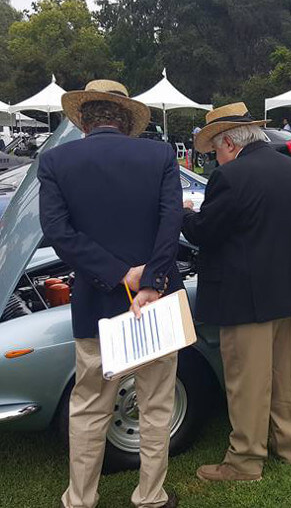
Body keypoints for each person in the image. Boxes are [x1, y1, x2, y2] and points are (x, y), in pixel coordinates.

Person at [39, 79, 182, 508]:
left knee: (89, 407)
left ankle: (81, 498)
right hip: (155, 303)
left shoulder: (56, 161)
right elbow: (170, 221)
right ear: (126, 121)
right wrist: (149, 282)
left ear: (83, 120)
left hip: (96, 303)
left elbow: (58, 234)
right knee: (156, 404)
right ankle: (151, 496)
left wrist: (120, 275)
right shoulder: (159, 154)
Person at [182, 102, 291, 482]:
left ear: (228, 142)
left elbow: (205, 232)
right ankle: (288, 447)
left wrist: (185, 212)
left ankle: (244, 461)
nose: (215, 159)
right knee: (287, 375)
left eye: (215, 151)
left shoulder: (231, 177)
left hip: (245, 296)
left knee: (247, 381)